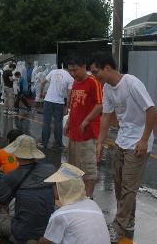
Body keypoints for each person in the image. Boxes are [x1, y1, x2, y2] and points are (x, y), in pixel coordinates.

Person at [89, 54, 157, 242]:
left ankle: (118, 227)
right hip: (122, 140)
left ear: (108, 68)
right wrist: (100, 142)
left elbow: (152, 110)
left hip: (138, 142)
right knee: (119, 185)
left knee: (128, 186)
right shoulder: (107, 88)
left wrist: (144, 140)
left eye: (96, 72)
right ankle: (129, 220)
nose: (95, 77)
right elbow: (106, 116)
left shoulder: (131, 83)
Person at [0, 134, 56, 243]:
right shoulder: (50, 169)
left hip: (22, 232)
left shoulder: (11, 176)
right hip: (47, 230)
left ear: (16, 154)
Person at [39, 163, 110, 244]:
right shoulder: (93, 205)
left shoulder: (60, 215)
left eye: (54, 185)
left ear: (60, 188)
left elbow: (46, 242)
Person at [64, 56, 103, 198]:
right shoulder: (75, 83)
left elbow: (100, 104)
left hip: (88, 134)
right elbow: (74, 105)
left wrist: (86, 120)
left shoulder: (93, 82)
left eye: (75, 70)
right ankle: (78, 195)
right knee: (74, 166)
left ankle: (89, 198)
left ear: (83, 66)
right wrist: (68, 121)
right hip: (74, 132)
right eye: (70, 71)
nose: (73, 74)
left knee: (88, 167)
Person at [39, 64, 74, 149]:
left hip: (48, 100)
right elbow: (69, 95)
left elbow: (43, 82)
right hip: (59, 102)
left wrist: (41, 92)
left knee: (46, 122)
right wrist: (67, 107)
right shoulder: (70, 78)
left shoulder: (53, 72)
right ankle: (59, 143)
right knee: (58, 123)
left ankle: (44, 143)